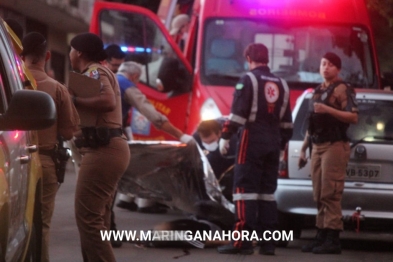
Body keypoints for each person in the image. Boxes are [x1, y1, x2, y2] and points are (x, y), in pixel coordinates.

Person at [216, 43, 293, 256]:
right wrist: (281, 145)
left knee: (244, 192)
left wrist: (225, 135)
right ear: (267, 59)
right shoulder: (282, 84)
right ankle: (268, 243)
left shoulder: (247, 80)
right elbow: (287, 123)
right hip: (274, 142)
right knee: (267, 194)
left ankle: (242, 242)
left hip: (252, 141)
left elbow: (238, 115)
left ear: (248, 58)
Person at [69, 32, 130, 262]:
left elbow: (108, 101)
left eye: (71, 49)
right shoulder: (97, 71)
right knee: (97, 220)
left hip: (104, 150)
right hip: (108, 148)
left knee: (88, 217)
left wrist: (75, 100)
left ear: (79, 52)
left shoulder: (94, 71)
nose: (70, 54)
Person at [20, 32, 79, 262]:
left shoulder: (11, 85)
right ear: (47, 55)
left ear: (21, 55)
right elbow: (68, 131)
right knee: (42, 223)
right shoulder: (58, 89)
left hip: (12, 161)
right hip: (45, 161)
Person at [299, 52, 358, 255]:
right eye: (323, 64)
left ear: (338, 69)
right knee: (318, 194)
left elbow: (353, 117)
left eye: (331, 65)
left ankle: (333, 238)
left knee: (330, 193)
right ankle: (321, 234)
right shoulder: (317, 91)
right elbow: (312, 123)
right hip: (317, 145)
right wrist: (303, 148)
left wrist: (327, 109)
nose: (326, 68)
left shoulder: (343, 89)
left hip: (335, 145)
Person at [115, 61, 194, 213]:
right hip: (104, 137)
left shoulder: (107, 79)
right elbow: (154, 117)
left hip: (82, 135)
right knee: (149, 164)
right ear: (135, 76)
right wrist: (182, 136)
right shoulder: (126, 85)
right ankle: (143, 204)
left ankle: (126, 199)